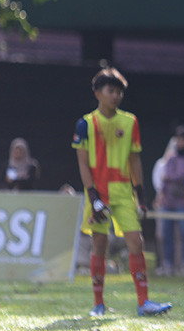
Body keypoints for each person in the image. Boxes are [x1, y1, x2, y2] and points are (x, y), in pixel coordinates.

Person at [73, 67, 171, 317]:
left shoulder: (130, 122)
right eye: (111, 91)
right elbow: (83, 163)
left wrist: (141, 193)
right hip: (98, 191)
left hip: (123, 191)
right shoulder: (85, 123)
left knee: (136, 242)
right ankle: (98, 304)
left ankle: (143, 302)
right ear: (98, 93)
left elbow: (135, 159)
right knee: (99, 245)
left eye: (119, 92)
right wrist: (92, 196)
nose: (115, 96)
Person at [155, 126, 184, 275]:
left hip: (183, 203)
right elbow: (165, 178)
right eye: (178, 139)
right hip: (168, 202)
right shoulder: (171, 157)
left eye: (183, 139)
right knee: (166, 234)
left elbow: (180, 176)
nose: (180, 142)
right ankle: (168, 264)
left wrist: (171, 178)